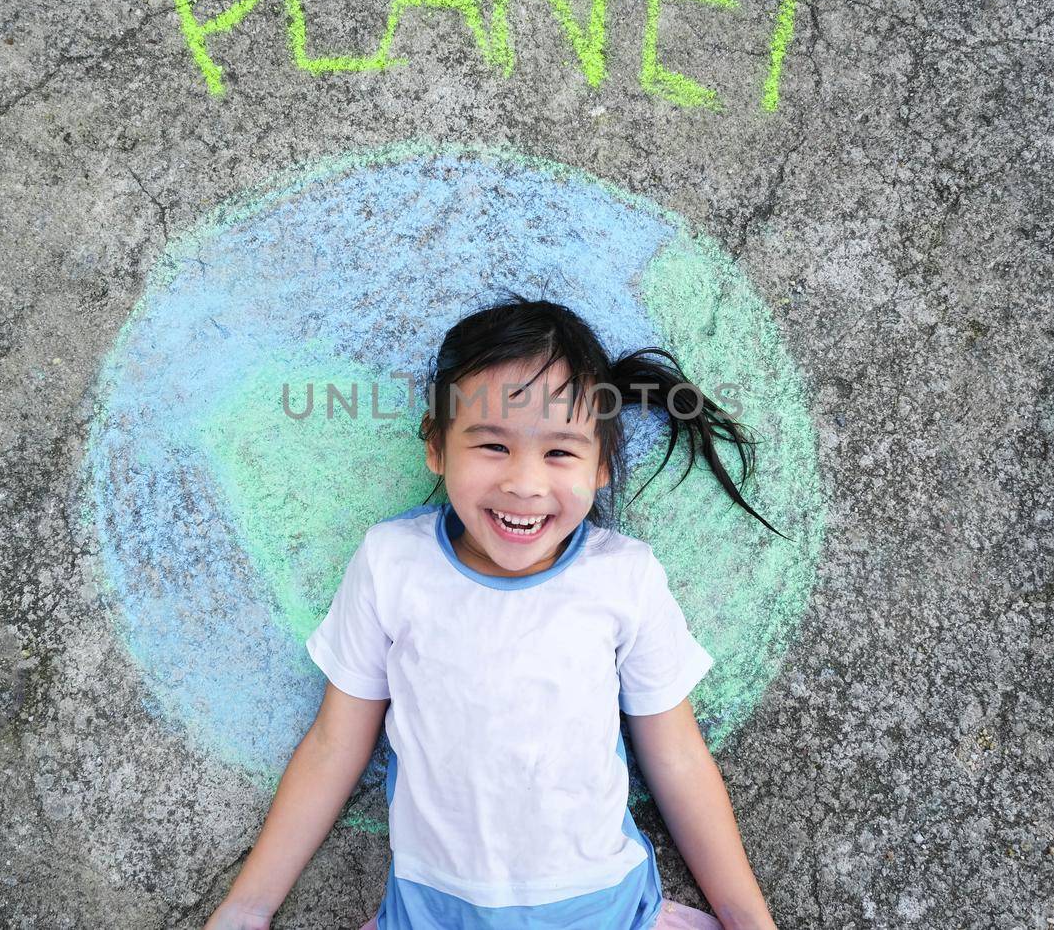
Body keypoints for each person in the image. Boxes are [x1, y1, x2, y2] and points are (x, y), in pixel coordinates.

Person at [203, 295, 784, 930]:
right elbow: (335, 744)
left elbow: (676, 760)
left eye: (560, 452)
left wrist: (748, 920)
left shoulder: (624, 577)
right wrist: (247, 909)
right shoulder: (392, 565)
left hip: (607, 913)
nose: (525, 483)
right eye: (492, 445)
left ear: (601, 468)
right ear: (437, 446)